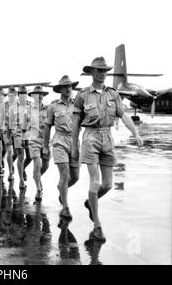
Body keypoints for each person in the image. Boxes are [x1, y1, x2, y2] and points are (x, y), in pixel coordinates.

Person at [72, 56, 143, 243]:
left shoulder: (113, 94)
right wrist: (73, 145)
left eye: (105, 71)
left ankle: (90, 203)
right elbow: (75, 123)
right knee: (95, 183)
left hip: (107, 137)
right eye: (100, 70)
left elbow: (124, 115)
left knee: (108, 185)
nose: (103, 74)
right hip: (90, 137)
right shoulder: (83, 95)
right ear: (92, 72)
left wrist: (135, 133)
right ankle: (97, 225)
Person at [45, 75, 80, 221]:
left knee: (75, 177)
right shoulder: (53, 106)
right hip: (59, 140)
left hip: (74, 141)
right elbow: (47, 127)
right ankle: (65, 207)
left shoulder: (78, 104)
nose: (68, 89)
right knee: (65, 175)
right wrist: (45, 147)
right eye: (65, 86)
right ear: (59, 89)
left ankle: (62, 190)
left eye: (70, 86)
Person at [28, 85, 50, 202]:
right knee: (37, 163)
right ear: (32, 96)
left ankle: (36, 176)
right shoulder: (29, 109)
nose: (39, 96)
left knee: (45, 166)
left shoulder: (49, 108)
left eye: (41, 94)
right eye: (37, 94)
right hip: (34, 140)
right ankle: (39, 189)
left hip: (46, 140)